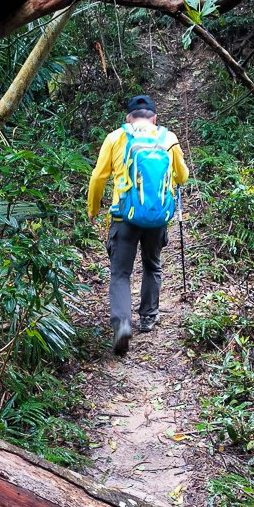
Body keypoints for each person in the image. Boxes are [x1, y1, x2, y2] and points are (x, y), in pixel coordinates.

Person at [87, 95, 189, 356]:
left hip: (123, 217)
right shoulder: (168, 137)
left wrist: (94, 208)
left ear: (128, 118)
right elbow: (183, 176)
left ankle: (122, 322)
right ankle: (148, 317)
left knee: (120, 273)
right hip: (156, 218)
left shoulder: (115, 137)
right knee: (152, 265)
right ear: (154, 118)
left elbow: (98, 177)